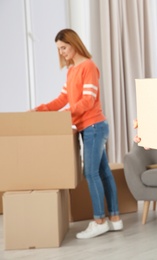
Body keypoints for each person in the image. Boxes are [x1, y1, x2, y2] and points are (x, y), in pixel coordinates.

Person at [32, 28, 123, 239]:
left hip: (94, 127)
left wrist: (63, 115)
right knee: (103, 172)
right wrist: (40, 109)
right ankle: (115, 219)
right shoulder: (72, 70)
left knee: (90, 173)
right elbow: (63, 99)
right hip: (89, 128)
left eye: (64, 47)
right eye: (59, 49)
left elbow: (88, 101)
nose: (62, 52)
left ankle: (100, 220)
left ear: (74, 44)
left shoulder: (88, 66)